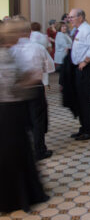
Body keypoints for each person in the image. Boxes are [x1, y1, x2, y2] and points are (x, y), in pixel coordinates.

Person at [0, 18, 49, 213]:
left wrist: (27, 78)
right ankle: (15, 197)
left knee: (19, 152)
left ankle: (23, 193)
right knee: (12, 152)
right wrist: (31, 80)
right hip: (7, 112)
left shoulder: (8, 53)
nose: (22, 37)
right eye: (19, 34)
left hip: (13, 111)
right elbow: (12, 86)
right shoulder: (4, 56)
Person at [11, 20, 55, 161]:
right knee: (38, 120)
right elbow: (50, 67)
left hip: (18, 89)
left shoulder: (11, 49)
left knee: (23, 119)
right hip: (35, 86)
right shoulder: (37, 48)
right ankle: (39, 150)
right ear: (30, 32)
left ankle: (24, 149)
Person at [68, 8, 90, 141]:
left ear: (80, 17)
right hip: (79, 68)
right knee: (80, 100)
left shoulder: (87, 30)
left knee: (85, 100)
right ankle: (84, 127)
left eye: (72, 17)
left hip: (86, 69)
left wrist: (85, 61)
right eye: (69, 17)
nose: (69, 20)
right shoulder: (78, 30)